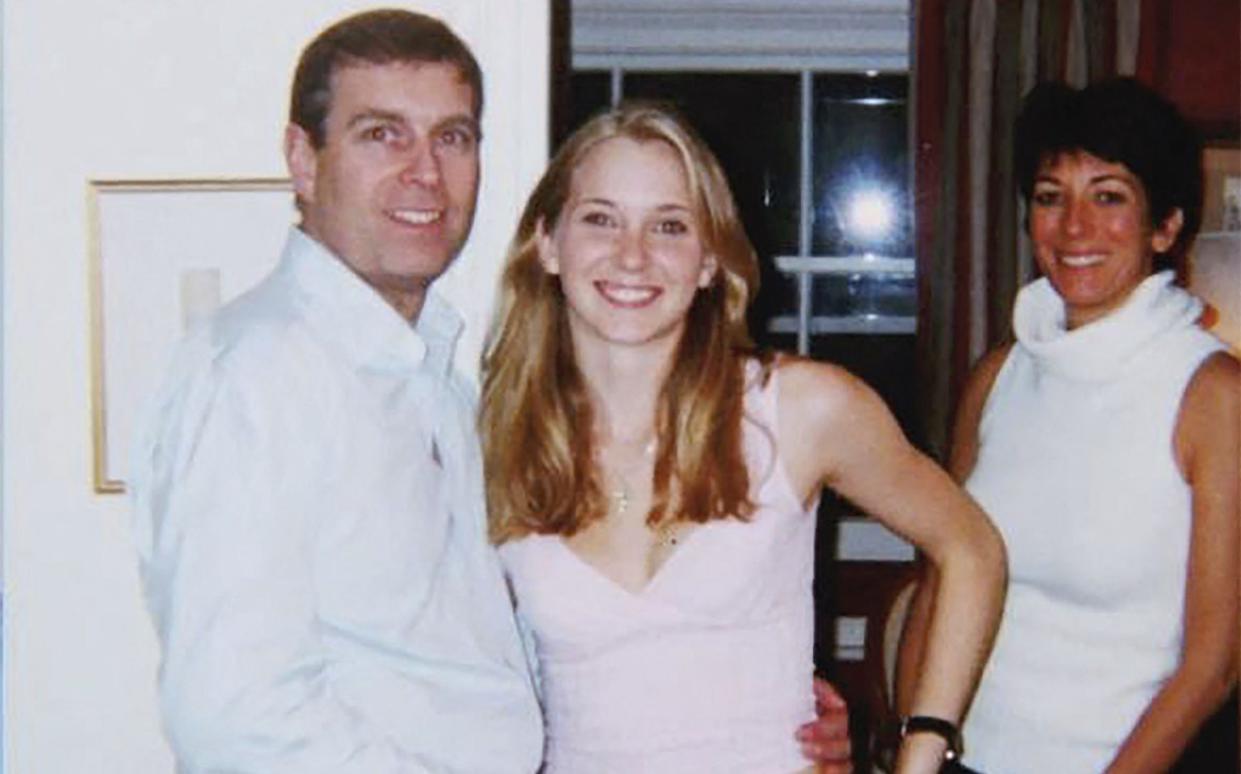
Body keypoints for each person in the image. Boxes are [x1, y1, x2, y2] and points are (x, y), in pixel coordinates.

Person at [130, 9, 854, 773]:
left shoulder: (441, 382)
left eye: (452, 137)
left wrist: (725, 697)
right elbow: (236, 719)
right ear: (302, 160)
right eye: (381, 134)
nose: (424, 172)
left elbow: (480, 660)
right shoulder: (256, 373)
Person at [479, 101, 1006, 773]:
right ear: (548, 244)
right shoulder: (494, 436)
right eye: (599, 219)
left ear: (707, 260)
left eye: (669, 226)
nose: (631, 255)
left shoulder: (798, 409)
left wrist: (922, 747)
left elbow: (971, 548)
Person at [896, 78, 1240, 773]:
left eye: (1108, 196)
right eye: (1050, 197)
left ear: (1165, 226)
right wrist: (912, 749)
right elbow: (939, 585)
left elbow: (1215, 662)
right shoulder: (996, 376)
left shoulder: (1213, 395)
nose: (1073, 227)